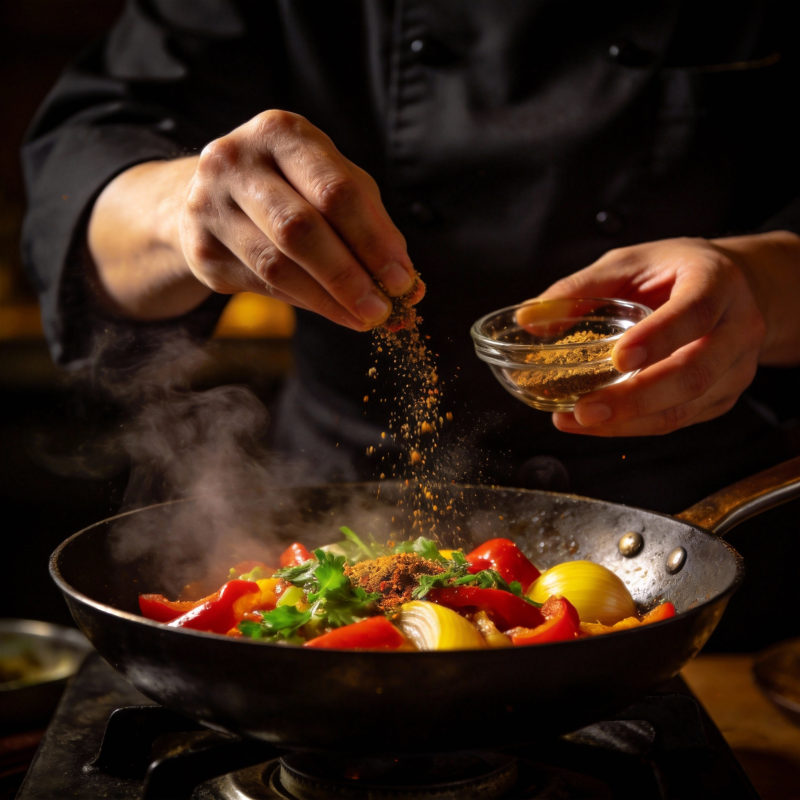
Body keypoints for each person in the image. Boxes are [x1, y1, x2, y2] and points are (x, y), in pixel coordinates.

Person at [22, 1, 800, 646]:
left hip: (713, 582)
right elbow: (82, 166)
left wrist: (764, 284)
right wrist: (178, 207)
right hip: (340, 481)